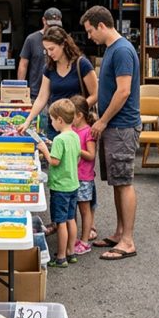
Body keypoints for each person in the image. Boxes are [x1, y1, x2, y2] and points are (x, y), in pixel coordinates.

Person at [80, 5, 141, 261]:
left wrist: (103, 121)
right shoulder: (112, 49)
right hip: (115, 126)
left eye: (90, 31)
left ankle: (128, 241)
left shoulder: (122, 50)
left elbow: (123, 91)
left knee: (124, 183)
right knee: (117, 182)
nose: (89, 36)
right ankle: (119, 233)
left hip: (121, 127)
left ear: (102, 25)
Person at [19, 26, 98, 141]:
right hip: (54, 125)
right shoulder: (49, 68)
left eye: (52, 49)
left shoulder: (82, 64)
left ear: (63, 44)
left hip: (76, 126)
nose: (49, 53)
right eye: (46, 50)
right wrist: (28, 121)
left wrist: (72, 111)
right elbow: (42, 97)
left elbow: (95, 94)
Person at [37, 99, 81, 268]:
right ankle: (71, 252)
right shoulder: (74, 136)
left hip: (60, 187)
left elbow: (54, 161)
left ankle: (61, 257)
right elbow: (76, 157)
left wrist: (45, 150)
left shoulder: (59, 139)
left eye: (52, 120)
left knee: (60, 222)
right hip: (73, 184)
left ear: (60, 120)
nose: (51, 123)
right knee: (71, 218)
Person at [70, 94, 97, 255]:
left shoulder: (88, 132)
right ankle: (73, 239)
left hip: (84, 178)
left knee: (84, 210)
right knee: (72, 209)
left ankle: (85, 241)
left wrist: (77, 149)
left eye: (70, 115)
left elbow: (91, 155)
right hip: (72, 176)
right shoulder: (72, 130)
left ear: (79, 115)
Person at [18, 7, 63, 102]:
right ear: (44, 21)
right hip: (36, 93)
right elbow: (23, 64)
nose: (53, 28)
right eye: (50, 25)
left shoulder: (63, 40)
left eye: (56, 25)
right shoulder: (32, 39)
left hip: (58, 93)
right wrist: (21, 89)